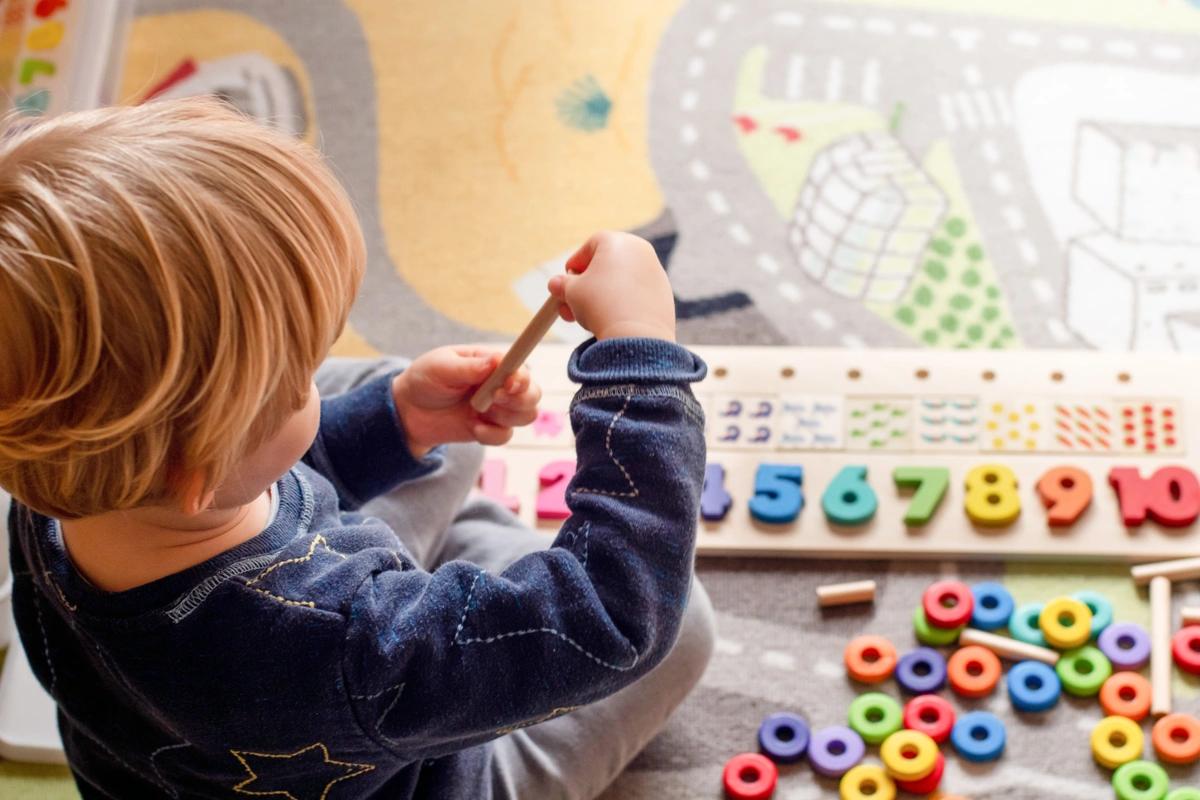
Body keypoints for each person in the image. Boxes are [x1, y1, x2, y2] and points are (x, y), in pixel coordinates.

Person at [0, 97, 714, 799]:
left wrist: (397, 422)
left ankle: (430, 533)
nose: (314, 374)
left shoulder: (51, 485)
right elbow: (617, 613)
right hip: (420, 766)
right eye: (297, 374)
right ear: (202, 462)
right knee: (683, 625)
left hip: (218, 733)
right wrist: (636, 357)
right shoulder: (348, 647)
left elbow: (238, 483)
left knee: (412, 418)